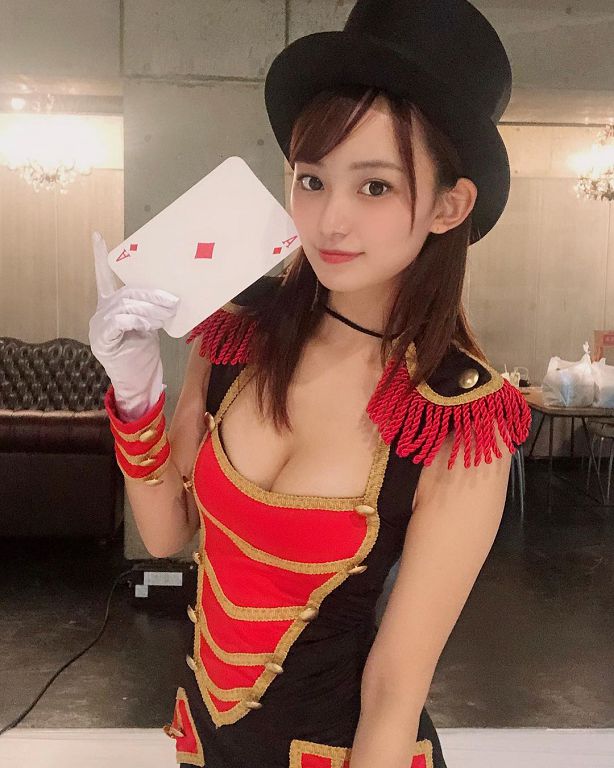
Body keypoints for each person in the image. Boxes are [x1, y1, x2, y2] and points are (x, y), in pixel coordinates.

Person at [89, 1, 532, 766]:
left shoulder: (456, 420)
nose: (329, 220)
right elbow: (168, 535)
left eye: (375, 187)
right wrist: (134, 396)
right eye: (312, 179)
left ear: (448, 205)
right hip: (207, 741)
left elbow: (393, 690)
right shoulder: (240, 332)